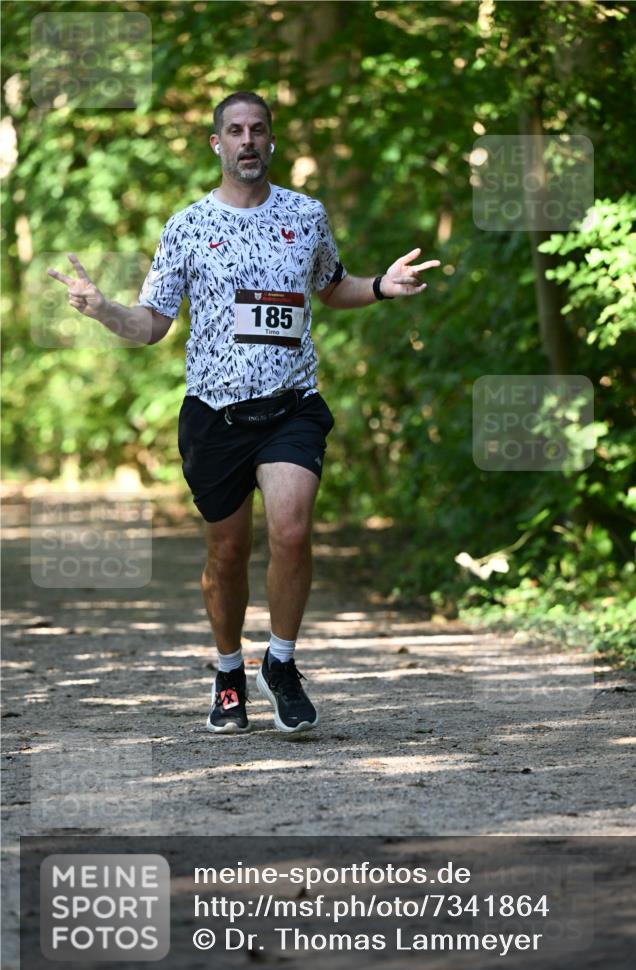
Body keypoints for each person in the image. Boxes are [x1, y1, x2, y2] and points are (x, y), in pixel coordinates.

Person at [47, 91, 440, 737]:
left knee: (290, 529)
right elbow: (152, 325)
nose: (247, 140)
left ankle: (279, 664)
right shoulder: (186, 226)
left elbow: (329, 285)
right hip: (214, 413)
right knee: (226, 554)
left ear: (271, 141)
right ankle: (228, 670)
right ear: (216, 144)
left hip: (291, 406)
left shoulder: (305, 214)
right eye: (234, 131)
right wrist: (102, 309)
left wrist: (377, 287)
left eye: (258, 129)